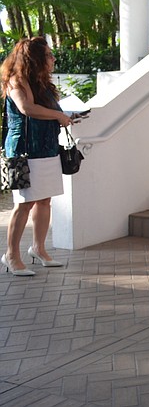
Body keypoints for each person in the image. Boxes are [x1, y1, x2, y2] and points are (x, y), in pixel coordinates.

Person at [1, 37, 73, 276]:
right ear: (36, 59)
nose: (53, 59)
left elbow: (50, 113)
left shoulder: (42, 82)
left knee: (44, 200)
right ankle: (11, 256)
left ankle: (38, 249)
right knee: (24, 203)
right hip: (24, 150)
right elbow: (27, 109)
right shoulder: (16, 80)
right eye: (49, 55)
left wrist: (66, 116)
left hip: (47, 148)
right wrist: (57, 115)